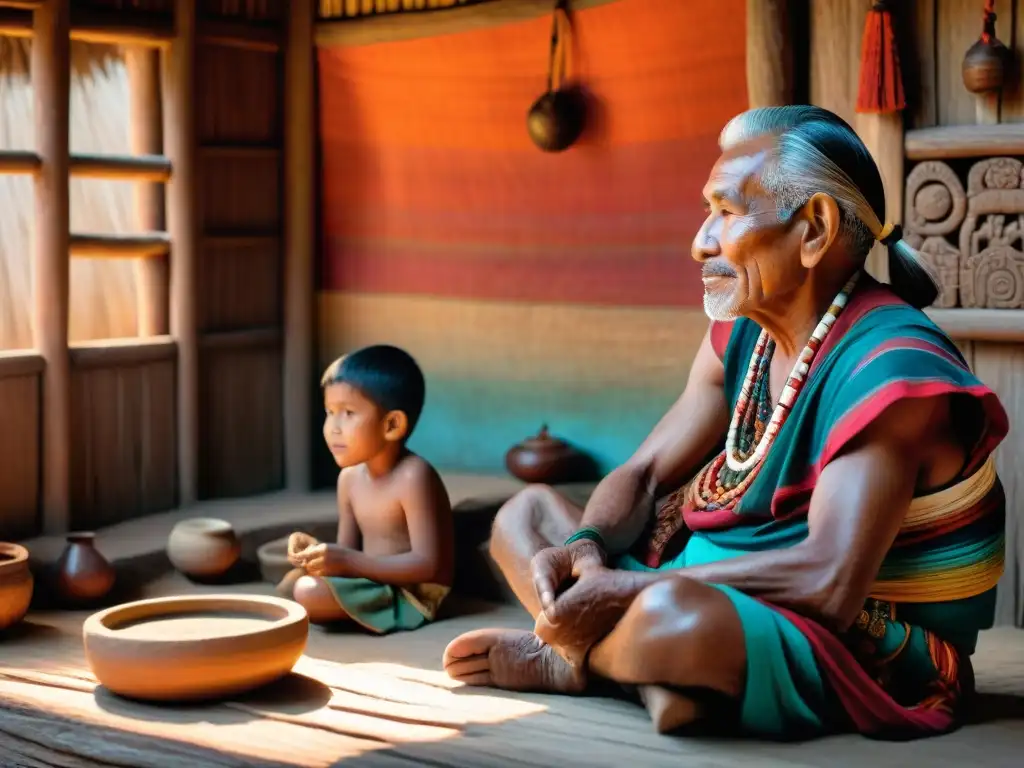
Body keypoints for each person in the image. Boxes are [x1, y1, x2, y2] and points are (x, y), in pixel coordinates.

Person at [442, 106, 1010, 740]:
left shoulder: (889, 367)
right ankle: (656, 678)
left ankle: (578, 660)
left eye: (727, 211)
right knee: (527, 519)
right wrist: (587, 550)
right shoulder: (747, 330)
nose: (700, 239)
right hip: (709, 580)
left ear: (814, 229)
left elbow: (828, 580)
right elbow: (646, 470)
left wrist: (620, 594)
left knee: (673, 621)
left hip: (861, 640)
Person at [286, 344, 454, 635]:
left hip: (412, 593)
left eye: (348, 413)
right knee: (296, 581)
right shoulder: (349, 479)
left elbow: (428, 565)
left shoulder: (414, 476)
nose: (333, 427)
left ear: (391, 424)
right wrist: (319, 556)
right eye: (330, 411)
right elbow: (348, 551)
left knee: (307, 593)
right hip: (371, 580)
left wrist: (348, 561)